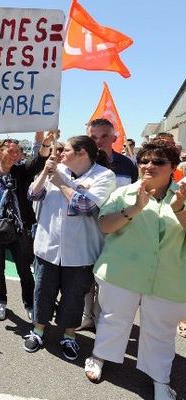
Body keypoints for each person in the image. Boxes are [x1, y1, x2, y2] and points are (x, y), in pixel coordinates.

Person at [84, 140, 186, 400]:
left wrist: (180, 209)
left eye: (158, 161)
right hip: (121, 273)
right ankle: (99, 357)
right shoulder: (123, 193)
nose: (148, 165)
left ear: (173, 167)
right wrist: (136, 208)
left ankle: (160, 380)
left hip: (169, 279)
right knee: (112, 319)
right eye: (144, 160)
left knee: (161, 332)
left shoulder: (183, 195)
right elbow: (105, 225)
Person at [23, 136, 115, 360]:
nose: (61, 153)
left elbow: (85, 205)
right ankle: (38, 331)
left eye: (66, 150)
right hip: (48, 248)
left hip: (81, 252)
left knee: (73, 297)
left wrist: (61, 184)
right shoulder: (55, 169)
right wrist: (45, 173)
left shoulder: (104, 176)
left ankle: (69, 336)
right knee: (43, 292)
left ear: (82, 153)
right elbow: (32, 194)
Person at [0, 133, 54, 321]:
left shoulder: (21, 172)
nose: (16, 154)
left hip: (19, 229)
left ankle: (30, 304)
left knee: (24, 269)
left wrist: (46, 143)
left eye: (18, 151)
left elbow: (38, 162)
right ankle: (0, 302)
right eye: (11, 150)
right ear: (0, 153)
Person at [80, 118, 139, 331]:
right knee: (85, 278)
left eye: (104, 136)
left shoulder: (128, 165)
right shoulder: (82, 164)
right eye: (93, 137)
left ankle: (100, 320)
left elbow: (135, 197)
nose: (99, 142)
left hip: (116, 232)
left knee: (107, 282)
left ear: (114, 138)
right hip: (87, 230)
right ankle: (86, 317)